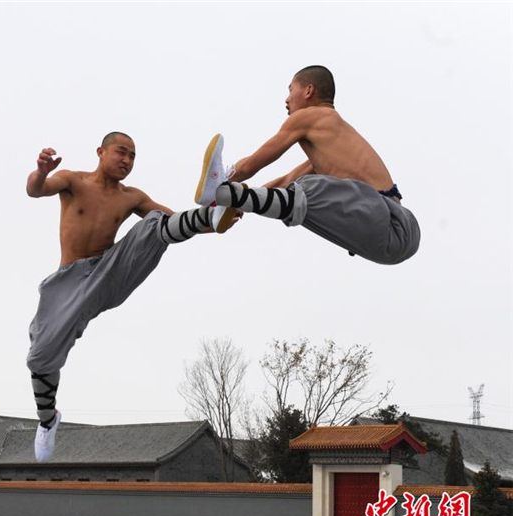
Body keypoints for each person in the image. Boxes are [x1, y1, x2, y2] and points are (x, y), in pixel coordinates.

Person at [26, 132, 235, 461]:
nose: (126, 161)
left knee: (154, 224)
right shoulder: (72, 181)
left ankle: (209, 212)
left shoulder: (131, 197)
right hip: (68, 282)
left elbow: (171, 219)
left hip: (110, 271)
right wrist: (41, 170)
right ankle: (48, 419)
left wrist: (217, 222)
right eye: (121, 153)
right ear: (100, 152)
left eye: (133, 156)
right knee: (39, 355)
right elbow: (35, 190)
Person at [196, 65, 420, 265]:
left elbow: (255, 163)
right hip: (392, 237)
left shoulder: (313, 117)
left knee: (308, 188)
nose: (286, 99)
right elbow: (284, 184)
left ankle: (222, 188)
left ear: (308, 90)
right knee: (301, 191)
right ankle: (229, 197)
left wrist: (223, 182)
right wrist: (236, 205)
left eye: (290, 89)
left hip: (389, 219)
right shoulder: (330, 153)